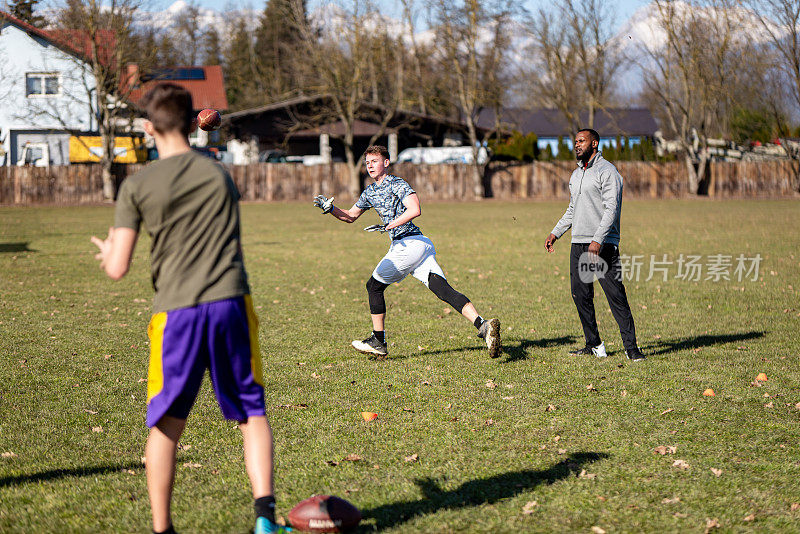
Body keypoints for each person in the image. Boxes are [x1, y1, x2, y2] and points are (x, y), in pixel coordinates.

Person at [91, 83, 290, 534]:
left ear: (147, 128)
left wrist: (107, 254)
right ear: (191, 121)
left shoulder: (137, 185)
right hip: (230, 304)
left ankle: (163, 529)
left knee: (165, 425)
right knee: (251, 413)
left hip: (175, 315)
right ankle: (264, 520)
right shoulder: (218, 175)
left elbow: (118, 268)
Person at [313, 145, 501, 358]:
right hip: (418, 246)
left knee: (373, 287)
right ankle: (483, 326)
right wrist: (331, 210)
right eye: (367, 162)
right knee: (442, 290)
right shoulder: (370, 192)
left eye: (374, 161)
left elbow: (415, 209)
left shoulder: (397, 184)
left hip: (409, 244)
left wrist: (390, 225)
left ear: (386, 162)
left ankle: (378, 341)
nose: (370, 165)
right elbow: (350, 216)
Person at [544, 129, 645, 361]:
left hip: (602, 245)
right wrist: (555, 233)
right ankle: (594, 344)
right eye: (576, 142)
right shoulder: (576, 174)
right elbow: (573, 209)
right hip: (578, 243)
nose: (577, 145)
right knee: (581, 295)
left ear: (594, 143)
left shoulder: (607, 171)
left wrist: (598, 239)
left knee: (615, 296)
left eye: (582, 141)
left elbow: (612, 209)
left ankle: (632, 349)